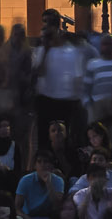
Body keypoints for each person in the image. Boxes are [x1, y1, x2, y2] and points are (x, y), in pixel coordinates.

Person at [30, 14, 88, 148]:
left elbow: (77, 79)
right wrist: (46, 49)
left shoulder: (71, 52)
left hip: (66, 102)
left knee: (65, 140)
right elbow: (40, 72)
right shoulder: (41, 51)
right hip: (45, 100)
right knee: (44, 140)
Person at [10, 155, 61, 219]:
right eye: (39, 162)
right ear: (35, 165)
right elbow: (17, 208)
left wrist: (48, 183)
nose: (42, 165)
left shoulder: (58, 181)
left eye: (46, 161)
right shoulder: (25, 180)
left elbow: (57, 206)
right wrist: (27, 217)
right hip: (27, 217)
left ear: (51, 165)